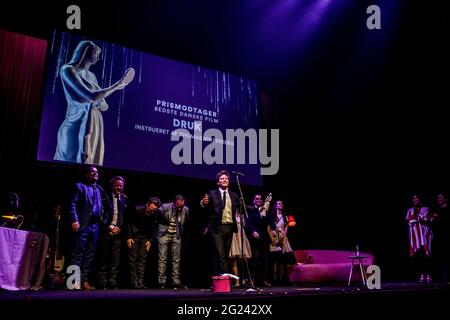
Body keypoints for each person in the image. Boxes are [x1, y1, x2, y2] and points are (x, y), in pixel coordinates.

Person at [54, 40, 133, 165]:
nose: (98, 56)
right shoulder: (68, 70)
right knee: (74, 159)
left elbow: (104, 105)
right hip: (77, 121)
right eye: (95, 53)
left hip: (94, 121)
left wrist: (99, 103)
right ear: (85, 52)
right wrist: (118, 85)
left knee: (91, 164)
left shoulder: (91, 76)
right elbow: (92, 96)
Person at [69, 166, 108, 290]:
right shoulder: (80, 186)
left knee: (89, 256)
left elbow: (108, 205)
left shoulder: (99, 189)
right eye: (92, 172)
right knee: (78, 254)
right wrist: (75, 220)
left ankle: (84, 281)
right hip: (83, 225)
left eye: (97, 172)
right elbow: (72, 204)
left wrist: (104, 220)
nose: (95, 174)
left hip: (95, 227)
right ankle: (73, 282)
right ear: (86, 175)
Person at [200, 170, 239, 277]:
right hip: (217, 228)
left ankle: (219, 278)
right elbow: (204, 203)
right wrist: (203, 202)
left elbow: (241, 207)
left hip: (229, 227)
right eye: (222, 179)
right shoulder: (212, 193)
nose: (224, 180)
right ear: (218, 182)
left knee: (226, 254)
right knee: (219, 253)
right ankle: (223, 277)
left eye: (226, 178)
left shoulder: (234, 195)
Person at [97, 176, 127, 289]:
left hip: (118, 232)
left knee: (115, 259)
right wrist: (110, 227)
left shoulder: (124, 198)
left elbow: (124, 216)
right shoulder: (106, 197)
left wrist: (119, 227)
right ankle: (102, 281)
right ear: (112, 186)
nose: (119, 187)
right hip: (106, 231)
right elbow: (101, 214)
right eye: (117, 185)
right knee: (104, 257)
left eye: (121, 185)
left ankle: (112, 281)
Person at [156, 195, 189, 289]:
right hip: (164, 234)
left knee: (176, 259)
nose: (180, 208)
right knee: (162, 258)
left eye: (182, 206)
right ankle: (161, 282)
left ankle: (176, 281)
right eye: (178, 206)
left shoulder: (186, 210)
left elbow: (184, 222)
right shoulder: (164, 207)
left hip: (176, 235)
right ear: (174, 203)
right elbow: (157, 219)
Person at [126, 196, 160, 289]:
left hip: (145, 237)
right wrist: (129, 237)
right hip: (135, 236)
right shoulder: (137, 209)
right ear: (148, 204)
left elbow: (154, 227)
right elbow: (128, 222)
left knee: (142, 260)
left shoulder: (156, 212)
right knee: (133, 259)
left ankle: (140, 282)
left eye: (154, 210)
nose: (152, 211)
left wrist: (150, 240)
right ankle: (134, 282)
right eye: (151, 209)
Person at [246, 193, 276, 287]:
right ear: (254, 200)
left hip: (264, 237)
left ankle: (264, 279)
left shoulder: (265, 210)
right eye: (257, 199)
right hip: (255, 237)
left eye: (260, 199)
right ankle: (254, 279)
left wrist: (274, 229)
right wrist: (253, 231)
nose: (259, 200)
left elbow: (270, 220)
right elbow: (248, 223)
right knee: (256, 258)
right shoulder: (251, 210)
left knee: (265, 259)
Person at [406, 194, 433, 283]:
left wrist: (418, 217)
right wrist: (416, 219)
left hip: (425, 234)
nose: (415, 199)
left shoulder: (426, 208)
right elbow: (409, 221)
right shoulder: (410, 210)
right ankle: (421, 275)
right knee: (419, 255)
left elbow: (426, 218)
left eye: (416, 198)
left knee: (427, 254)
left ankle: (429, 274)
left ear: (420, 199)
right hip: (415, 236)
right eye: (413, 198)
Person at [268, 200, 294, 285]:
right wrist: (272, 239)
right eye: (278, 203)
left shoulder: (285, 217)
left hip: (282, 238)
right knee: (275, 260)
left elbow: (286, 228)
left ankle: (282, 280)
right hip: (275, 237)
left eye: (281, 203)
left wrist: (284, 237)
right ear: (275, 206)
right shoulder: (272, 216)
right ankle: (275, 280)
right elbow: (268, 228)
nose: (280, 205)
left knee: (283, 261)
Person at [228, 209, 252, 287]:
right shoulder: (230, 213)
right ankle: (237, 281)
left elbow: (245, 225)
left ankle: (245, 280)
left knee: (243, 259)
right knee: (233, 259)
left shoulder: (242, 215)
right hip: (234, 235)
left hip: (241, 236)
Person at [431, 192, 450, 281]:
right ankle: (443, 276)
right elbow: (433, 220)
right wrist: (433, 219)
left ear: (445, 199)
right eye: (438, 198)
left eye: (440, 197)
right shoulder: (437, 209)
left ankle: (447, 276)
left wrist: (437, 217)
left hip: (446, 235)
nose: (438, 199)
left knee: (447, 255)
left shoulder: (447, 209)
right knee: (441, 256)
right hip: (439, 236)